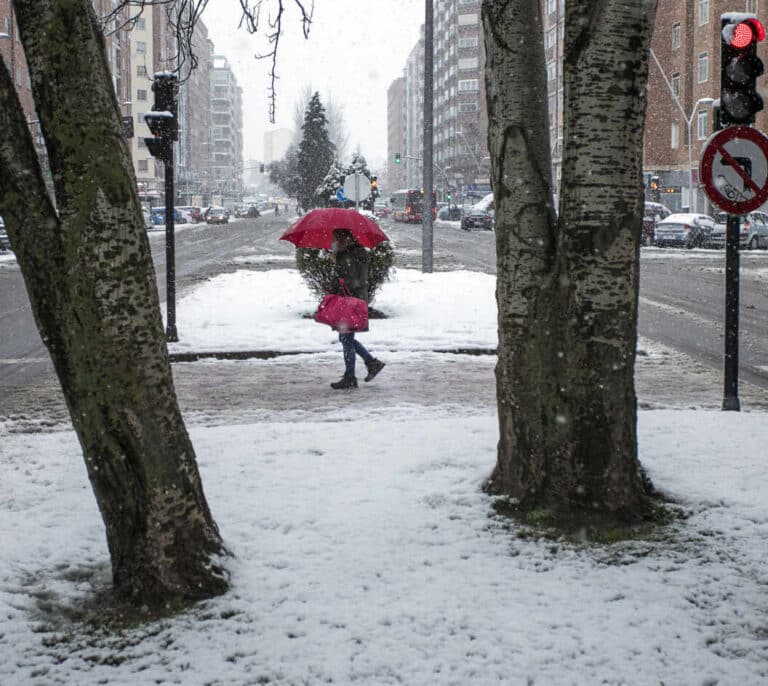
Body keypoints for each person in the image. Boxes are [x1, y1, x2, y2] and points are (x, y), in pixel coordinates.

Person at [329, 228, 385, 390]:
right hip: (352, 301)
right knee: (345, 338)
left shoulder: (350, 256)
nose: (333, 243)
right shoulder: (353, 254)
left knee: (346, 338)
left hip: (351, 303)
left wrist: (337, 259)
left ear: (343, 240)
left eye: (335, 239)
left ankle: (351, 377)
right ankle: (371, 363)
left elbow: (351, 280)